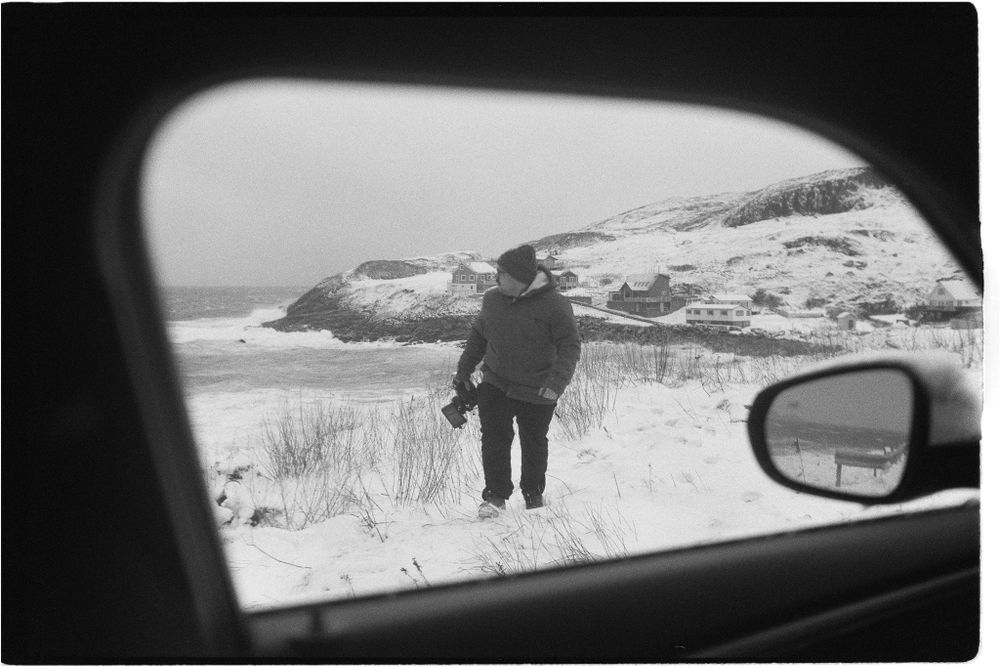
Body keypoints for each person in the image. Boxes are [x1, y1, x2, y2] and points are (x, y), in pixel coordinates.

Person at [453, 244, 581, 518]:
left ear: (520, 277)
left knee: (533, 440)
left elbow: (570, 345)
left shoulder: (556, 305)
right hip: (496, 381)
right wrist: (463, 373)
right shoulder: (492, 300)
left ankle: (533, 493)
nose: (496, 278)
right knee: (494, 438)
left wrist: (556, 384)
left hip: (538, 387)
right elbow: (479, 335)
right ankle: (495, 497)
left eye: (501, 273)